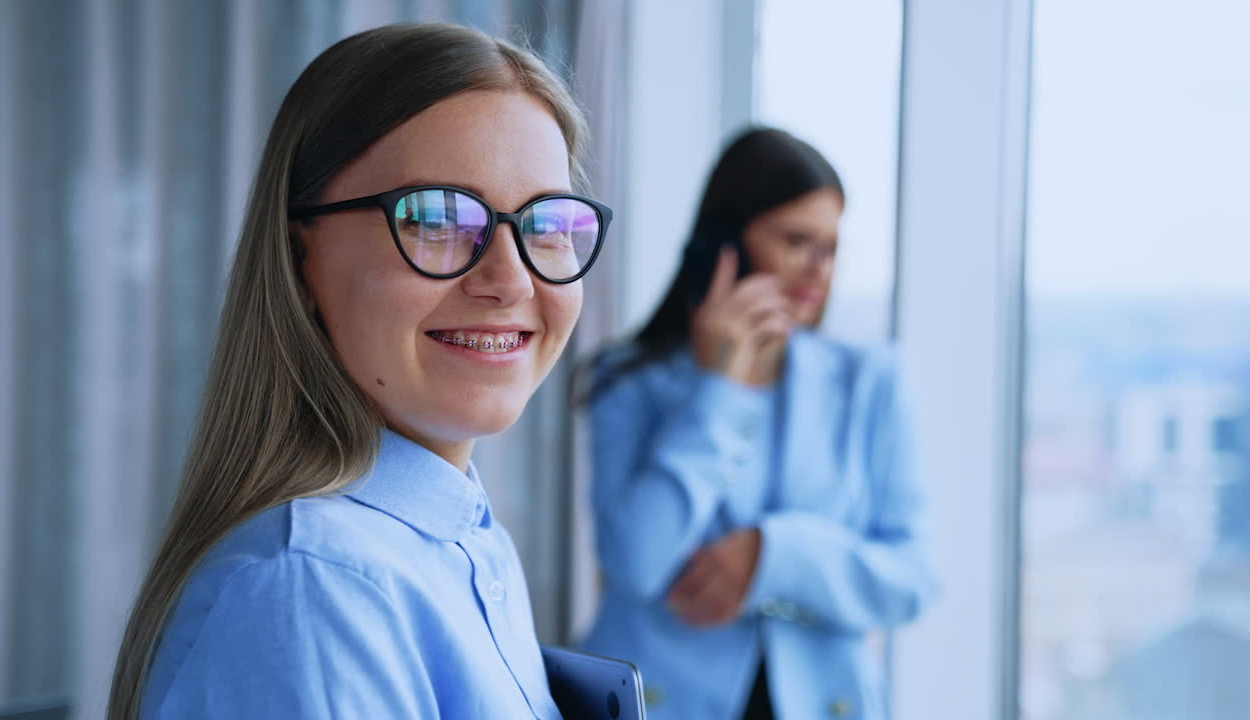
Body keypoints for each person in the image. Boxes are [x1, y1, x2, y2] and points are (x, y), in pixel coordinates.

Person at [108, 23, 610, 719]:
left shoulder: (466, 543)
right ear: (300, 262)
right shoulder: (315, 590)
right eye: (435, 218)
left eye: (546, 224)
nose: (512, 280)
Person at [579, 128, 934, 720]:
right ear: (727, 243)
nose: (819, 270)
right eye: (797, 241)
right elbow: (636, 561)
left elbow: (911, 580)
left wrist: (776, 554)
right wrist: (721, 389)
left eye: (831, 247)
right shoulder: (628, 380)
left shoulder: (871, 382)